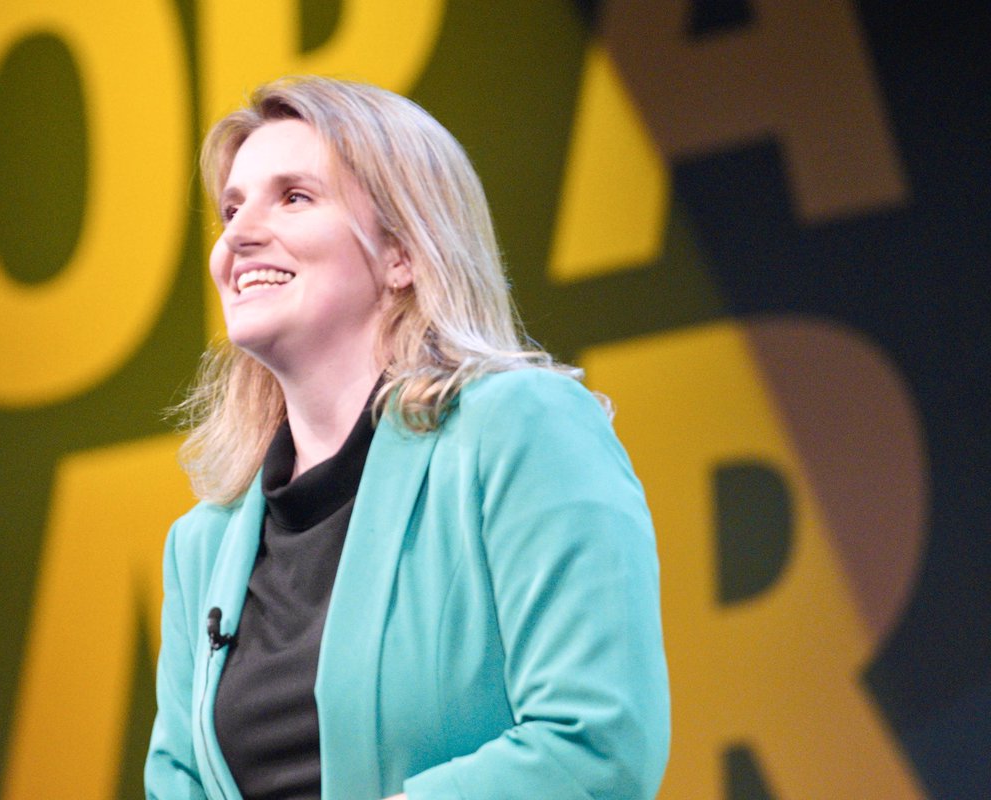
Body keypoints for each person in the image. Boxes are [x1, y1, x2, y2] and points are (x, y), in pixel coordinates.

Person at [145, 75, 669, 800]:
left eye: (294, 197)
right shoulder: (200, 546)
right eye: (231, 209)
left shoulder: (522, 428)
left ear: (402, 252)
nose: (237, 234)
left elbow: (595, 743)